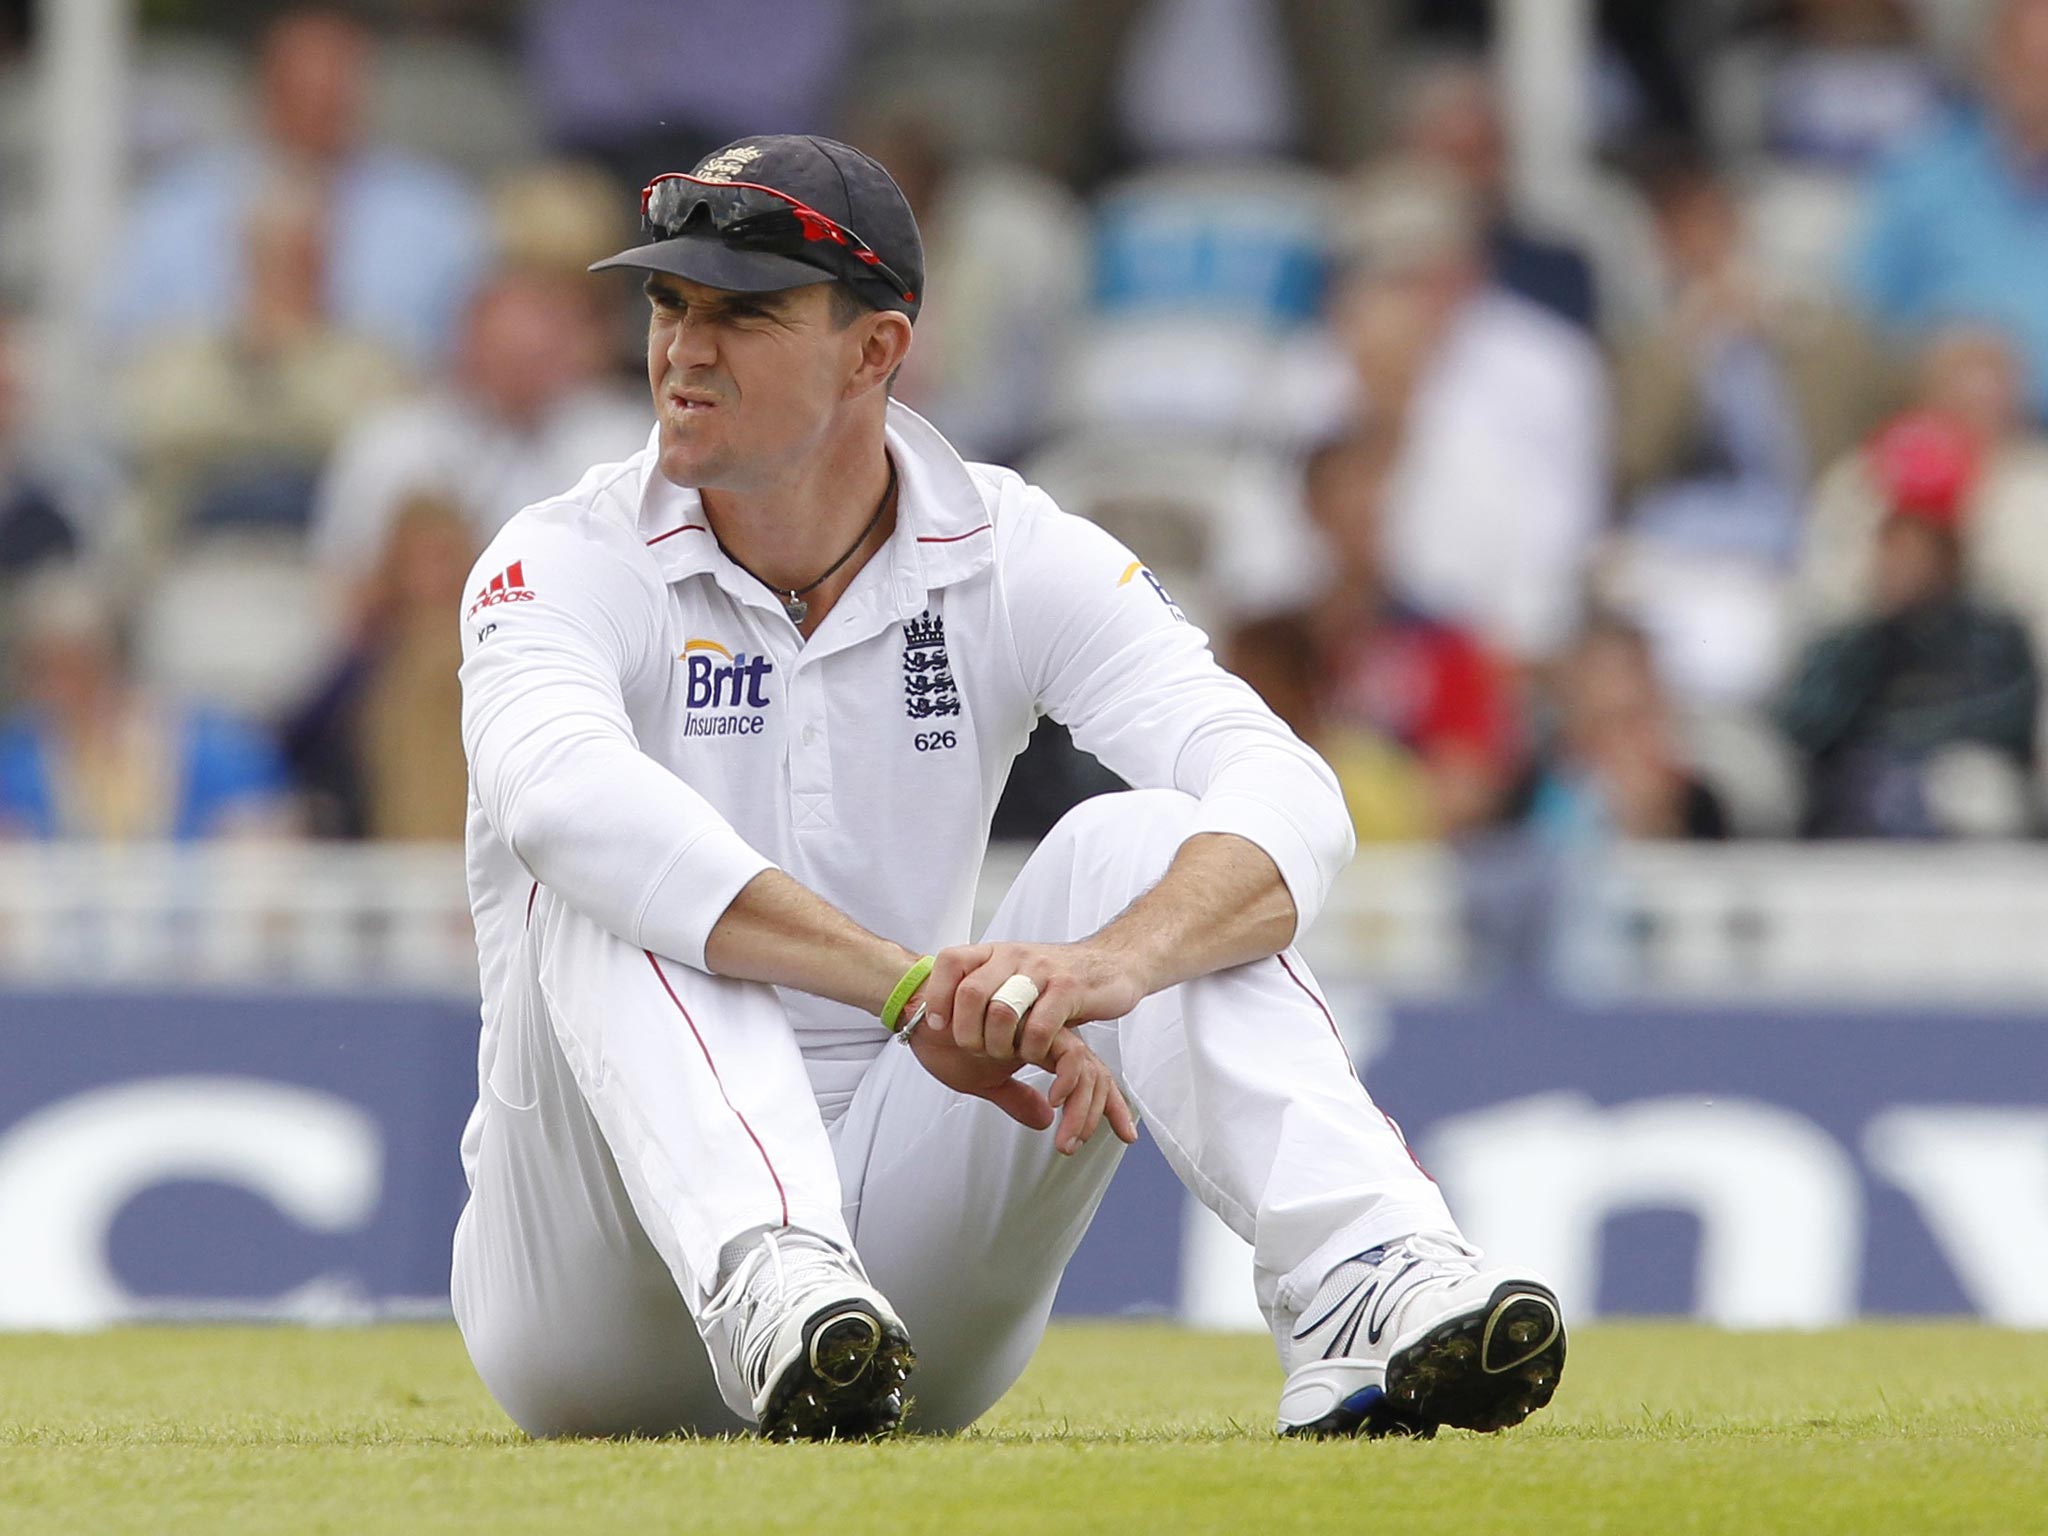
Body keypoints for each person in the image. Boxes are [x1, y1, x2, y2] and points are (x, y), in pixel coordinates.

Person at [448, 135, 1565, 1444]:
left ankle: (1367, 1280)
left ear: (876, 353)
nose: (684, 350)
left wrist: (1112, 965)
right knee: (592, 875)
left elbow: (1286, 791)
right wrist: (909, 986)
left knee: (1148, 844)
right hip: (595, 1301)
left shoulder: (1007, 548)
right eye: (668, 304)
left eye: (743, 313)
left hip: (888, 1314)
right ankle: (768, 1265)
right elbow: (560, 804)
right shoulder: (558, 559)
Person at [107, 8, 487, 366]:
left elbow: (470, 353)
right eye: (300, 89)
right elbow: (122, 339)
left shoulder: (434, 208)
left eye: (333, 88)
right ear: (261, 90)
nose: (317, 105)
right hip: (205, 426)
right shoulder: (177, 203)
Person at [1225, 426, 1520, 841]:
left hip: (1412, 866)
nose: (1365, 509)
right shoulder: (1269, 645)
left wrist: (1383, 802)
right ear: (1312, 508)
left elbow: (1468, 780)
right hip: (1291, 845)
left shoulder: (1446, 644)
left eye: (1376, 492)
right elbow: (1241, 763)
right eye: (1346, 494)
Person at [1780, 415, 2041, 838]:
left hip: (1958, 800)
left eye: (1918, 546)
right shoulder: (1851, 638)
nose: (1904, 562)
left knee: (1973, 789)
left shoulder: (1993, 632)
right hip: (1861, 795)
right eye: (1893, 545)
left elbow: (2009, 721)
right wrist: (1870, 644)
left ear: (1948, 555)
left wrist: (1910, 739)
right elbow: (1804, 727)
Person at [1850, 0, 2048, 422]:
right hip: (1945, 441)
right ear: (1992, 61)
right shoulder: (1923, 176)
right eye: (2029, 63)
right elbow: (1856, 322)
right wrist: (1931, 360)